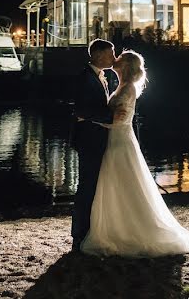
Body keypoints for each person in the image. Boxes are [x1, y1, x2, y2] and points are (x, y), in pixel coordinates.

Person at [79, 49, 189, 257]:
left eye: (119, 59)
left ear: (126, 66)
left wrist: (88, 119)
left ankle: (127, 230)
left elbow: (120, 120)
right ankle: (119, 225)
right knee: (118, 183)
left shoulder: (127, 89)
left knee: (122, 182)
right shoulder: (122, 86)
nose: (115, 60)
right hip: (116, 140)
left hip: (120, 141)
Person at [70, 39, 117, 251]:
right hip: (88, 139)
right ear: (98, 56)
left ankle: (89, 229)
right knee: (86, 186)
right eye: (110, 54)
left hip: (96, 137)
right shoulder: (85, 78)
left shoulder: (100, 76)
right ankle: (79, 233)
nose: (113, 58)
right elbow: (82, 110)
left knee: (93, 185)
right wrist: (112, 117)